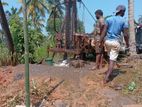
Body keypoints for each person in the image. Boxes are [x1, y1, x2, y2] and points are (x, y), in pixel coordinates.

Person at [99, 5, 129, 83]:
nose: (124, 13)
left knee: (110, 58)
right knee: (112, 60)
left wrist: (100, 41)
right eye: (124, 12)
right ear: (121, 11)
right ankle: (106, 78)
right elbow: (125, 35)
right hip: (115, 43)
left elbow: (104, 31)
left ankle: (110, 72)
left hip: (107, 42)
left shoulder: (108, 19)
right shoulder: (124, 21)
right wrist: (128, 44)